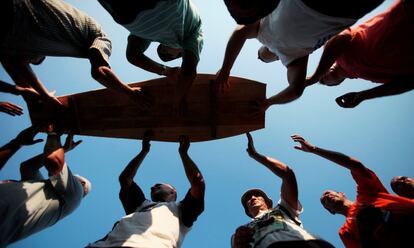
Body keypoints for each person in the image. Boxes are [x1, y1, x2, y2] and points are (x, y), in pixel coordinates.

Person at [217, 0, 383, 112]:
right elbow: (295, 90)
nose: (263, 56)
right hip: (344, 13)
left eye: (261, 55)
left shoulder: (261, 29)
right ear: (275, 60)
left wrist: (226, 69)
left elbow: (240, 33)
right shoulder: (293, 58)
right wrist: (269, 102)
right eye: (263, 59)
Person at [0, 0, 147, 109]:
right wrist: (130, 93)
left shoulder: (32, 43)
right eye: (35, 59)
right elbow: (100, 72)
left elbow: (16, 62)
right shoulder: (102, 38)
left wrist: (42, 95)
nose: (32, 60)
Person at [291, 134, 414, 248]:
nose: (326, 197)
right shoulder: (345, 232)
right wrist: (368, 233)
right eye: (324, 202)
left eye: (328, 193)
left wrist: (314, 149)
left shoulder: (367, 192)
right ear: (331, 211)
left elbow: (356, 166)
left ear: (341, 193)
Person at [88, 133, 205, 248]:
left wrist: (183, 154)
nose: (152, 187)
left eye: (158, 185)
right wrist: (143, 151)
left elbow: (198, 183)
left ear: (173, 191)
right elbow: (125, 179)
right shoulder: (141, 205)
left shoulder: (182, 211)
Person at [97, 0, 203, 114]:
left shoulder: (151, 34)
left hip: (123, 12)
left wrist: (166, 71)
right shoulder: (195, 31)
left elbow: (133, 56)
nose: (163, 49)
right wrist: (177, 103)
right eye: (166, 52)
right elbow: (188, 72)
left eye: (164, 52)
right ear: (181, 54)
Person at [232, 133, 334, 248]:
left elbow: (287, 175)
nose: (252, 198)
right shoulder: (242, 232)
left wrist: (256, 155)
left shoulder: (284, 209)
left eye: (257, 195)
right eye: (248, 199)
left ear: (268, 202)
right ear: (247, 211)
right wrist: (238, 244)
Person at [306, 0, 414, 108]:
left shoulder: (335, 52)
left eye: (321, 75)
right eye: (324, 80)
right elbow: (408, 82)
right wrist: (363, 95)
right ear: (338, 82)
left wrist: (315, 76)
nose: (323, 75)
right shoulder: (373, 77)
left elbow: (343, 35)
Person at [0, 128, 91, 246]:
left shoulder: (76, 193)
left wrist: (54, 134)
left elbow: (54, 161)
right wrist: (17, 143)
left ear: (82, 185)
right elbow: (28, 167)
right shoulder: (40, 188)